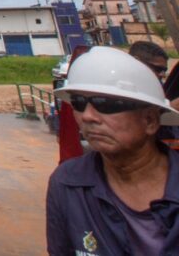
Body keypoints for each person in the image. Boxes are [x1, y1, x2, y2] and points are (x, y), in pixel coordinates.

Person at [46, 46, 179, 255]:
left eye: (105, 104)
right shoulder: (68, 185)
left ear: (150, 120)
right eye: (79, 103)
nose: (88, 116)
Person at [129, 40, 179, 150]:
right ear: (137, 62)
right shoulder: (123, 89)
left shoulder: (156, 86)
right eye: (158, 69)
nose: (162, 74)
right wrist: (169, 107)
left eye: (164, 70)